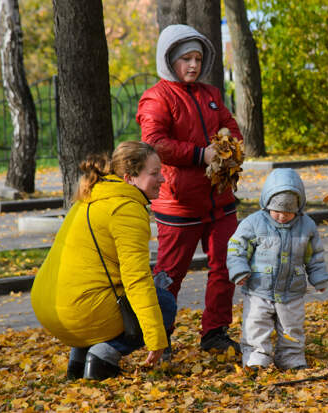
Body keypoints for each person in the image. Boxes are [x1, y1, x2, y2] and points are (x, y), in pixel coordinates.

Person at [136, 24, 243, 355]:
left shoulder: (210, 95)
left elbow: (232, 126)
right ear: (169, 60)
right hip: (178, 203)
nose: (193, 65)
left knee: (226, 266)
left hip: (220, 199)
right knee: (169, 276)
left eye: (197, 58)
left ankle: (215, 333)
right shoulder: (157, 97)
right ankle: (160, 338)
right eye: (185, 58)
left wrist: (232, 149)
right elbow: (153, 142)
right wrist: (201, 154)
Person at [30, 141, 176, 381]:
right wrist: (156, 338)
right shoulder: (126, 209)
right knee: (165, 303)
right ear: (129, 178)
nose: (162, 179)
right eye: (154, 173)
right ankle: (101, 358)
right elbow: (136, 280)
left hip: (50, 309)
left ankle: (78, 361)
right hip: (79, 313)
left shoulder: (92, 195)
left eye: (161, 171)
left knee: (97, 293)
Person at [226, 168, 328, 370]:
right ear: (266, 203)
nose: (282, 216)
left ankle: (291, 357)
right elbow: (236, 247)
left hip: (292, 292)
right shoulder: (254, 223)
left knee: (291, 327)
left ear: (298, 208)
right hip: (258, 289)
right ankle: (256, 357)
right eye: (277, 211)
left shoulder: (306, 226)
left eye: (288, 212)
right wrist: (239, 270)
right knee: (256, 325)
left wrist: (319, 277)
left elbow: (314, 255)